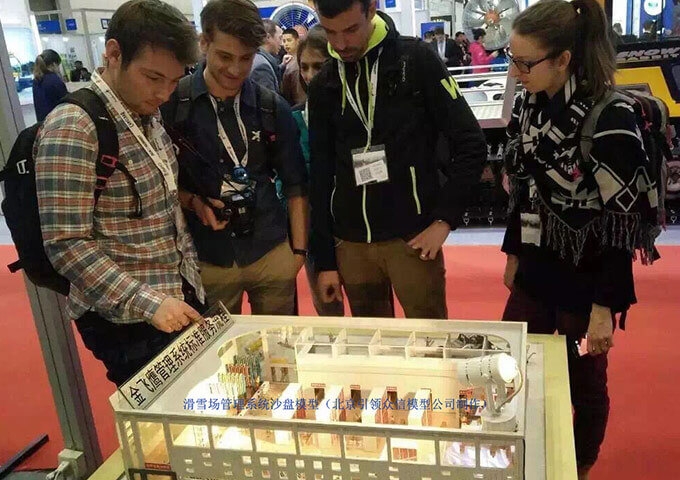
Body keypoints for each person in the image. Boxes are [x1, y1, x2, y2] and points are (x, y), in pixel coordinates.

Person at [501, 1, 660, 478]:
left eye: (524, 62)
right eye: (511, 58)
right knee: (510, 365)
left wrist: (604, 308)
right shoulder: (529, 106)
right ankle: (524, 456)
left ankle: (579, 466)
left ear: (563, 60)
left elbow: (621, 224)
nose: (515, 72)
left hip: (588, 278)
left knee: (585, 382)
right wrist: (513, 254)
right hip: (537, 266)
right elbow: (525, 189)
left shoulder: (611, 117)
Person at [34, 0, 206, 387]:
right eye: (153, 77)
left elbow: (160, 207)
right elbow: (65, 243)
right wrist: (150, 304)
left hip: (176, 295)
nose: (164, 92)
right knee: (161, 418)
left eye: (174, 80)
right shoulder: (73, 125)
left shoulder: (144, 111)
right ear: (114, 53)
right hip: (126, 319)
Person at [309, 0, 486, 319]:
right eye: (330, 32)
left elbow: (471, 143)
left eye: (351, 29)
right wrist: (324, 260)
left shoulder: (416, 60)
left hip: (412, 238)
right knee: (373, 342)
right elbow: (320, 174)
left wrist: (445, 219)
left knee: (430, 339)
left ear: (371, 9)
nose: (341, 44)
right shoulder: (324, 82)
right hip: (351, 243)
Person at [161, 0, 309, 316]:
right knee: (217, 346)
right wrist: (193, 202)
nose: (236, 69)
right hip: (207, 256)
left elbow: (295, 183)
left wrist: (297, 253)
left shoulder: (271, 105)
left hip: (270, 250)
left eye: (246, 58)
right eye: (225, 57)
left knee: (279, 344)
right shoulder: (173, 104)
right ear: (204, 43)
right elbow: (160, 185)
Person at [291, 28, 343, 316]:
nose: (310, 75)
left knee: (371, 315)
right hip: (314, 230)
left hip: (354, 229)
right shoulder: (293, 117)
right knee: (329, 315)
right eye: (304, 67)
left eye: (319, 67)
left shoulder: (353, 113)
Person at [32, 49, 68, 122]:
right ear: (54, 64)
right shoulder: (54, 80)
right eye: (58, 65)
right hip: (56, 121)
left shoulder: (36, 80)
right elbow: (66, 101)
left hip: (42, 122)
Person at [250, 19, 283, 91]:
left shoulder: (258, 58)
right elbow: (266, 97)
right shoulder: (262, 67)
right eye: (280, 38)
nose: (282, 43)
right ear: (268, 37)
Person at [281, 27, 306, 105]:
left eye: (289, 40)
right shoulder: (285, 61)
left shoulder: (299, 63)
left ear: (297, 40)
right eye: (284, 41)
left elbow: (299, 96)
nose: (286, 44)